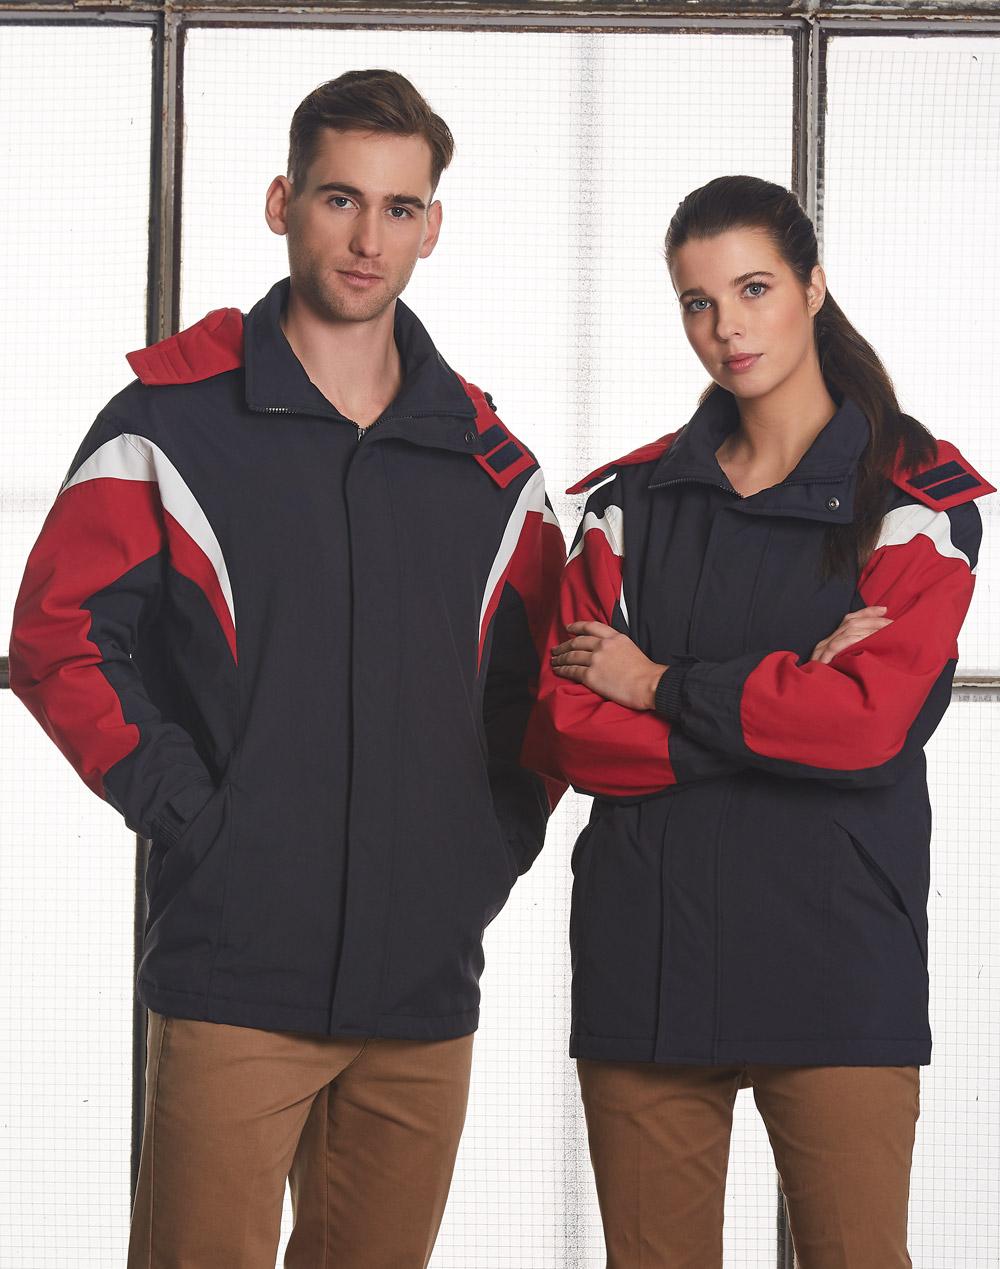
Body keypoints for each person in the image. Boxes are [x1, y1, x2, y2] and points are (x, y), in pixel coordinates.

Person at [9, 69, 564, 1268]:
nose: (368, 240)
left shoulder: (492, 468)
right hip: (236, 971)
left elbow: (541, 695)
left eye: (399, 209)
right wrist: (195, 820)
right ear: (282, 202)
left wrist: (486, 847)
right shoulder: (169, 428)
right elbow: (57, 636)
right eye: (339, 199)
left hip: (422, 989)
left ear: (432, 226)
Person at [523, 174, 992, 1269]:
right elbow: (563, 725)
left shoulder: (917, 502)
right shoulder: (625, 502)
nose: (725, 327)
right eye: (696, 301)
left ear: (813, 287)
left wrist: (658, 684)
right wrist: (786, 704)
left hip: (837, 961)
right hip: (647, 961)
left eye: (753, 289)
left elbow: (867, 726)